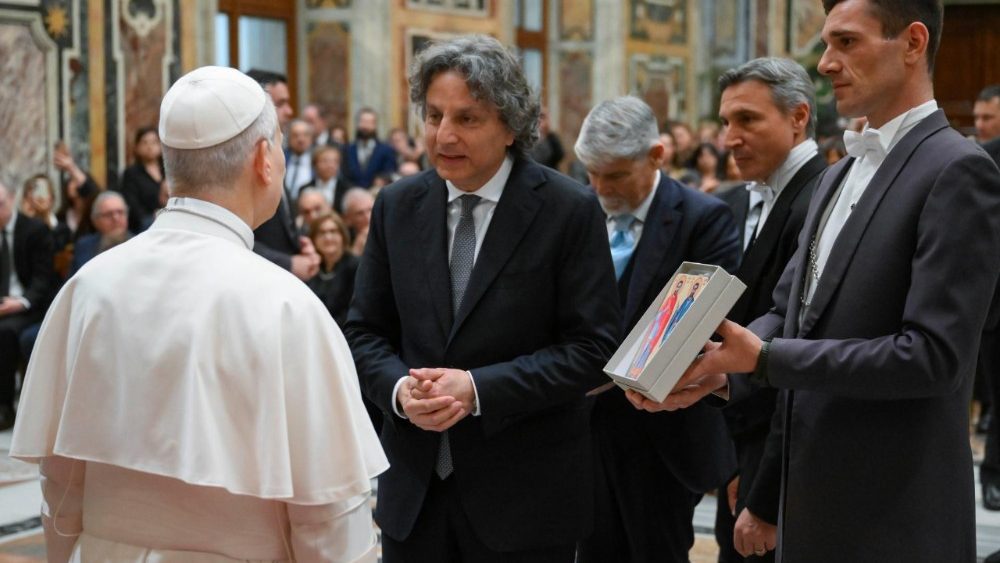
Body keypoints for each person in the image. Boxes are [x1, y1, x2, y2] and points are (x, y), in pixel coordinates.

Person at [627, 1, 1000, 561]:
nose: (825, 63)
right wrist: (720, 369)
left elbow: (933, 357)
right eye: (827, 43)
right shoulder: (837, 175)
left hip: (893, 513)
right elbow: (793, 315)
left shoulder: (957, 169)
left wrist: (765, 359)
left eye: (846, 43)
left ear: (913, 43)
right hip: (809, 504)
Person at [10, 65, 387, 561]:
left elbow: (60, 483)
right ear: (263, 160)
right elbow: (329, 517)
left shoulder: (89, 286)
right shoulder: (286, 305)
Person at [344, 35, 620, 563]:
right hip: (413, 498)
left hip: (525, 503)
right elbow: (363, 333)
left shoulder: (568, 210)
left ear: (511, 126)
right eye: (433, 115)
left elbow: (593, 350)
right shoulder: (397, 206)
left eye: (467, 119)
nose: (444, 134)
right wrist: (402, 391)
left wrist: (476, 389)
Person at [572, 96, 740, 563]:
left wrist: (589, 367)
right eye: (593, 173)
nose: (602, 187)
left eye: (617, 175)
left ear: (657, 156)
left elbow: (697, 326)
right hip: (583, 433)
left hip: (662, 433)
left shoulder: (703, 218)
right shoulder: (578, 208)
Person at [712, 57, 827, 563]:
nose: (729, 138)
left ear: (798, 117)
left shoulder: (820, 197)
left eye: (748, 120)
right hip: (738, 438)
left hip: (781, 459)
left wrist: (762, 487)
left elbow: (803, 349)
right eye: (725, 122)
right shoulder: (743, 199)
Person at [246, 69, 320, 281]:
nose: (290, 111)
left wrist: (303, 247)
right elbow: (235, 235)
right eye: (281, 103)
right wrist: (288, 263)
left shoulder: (275, 154)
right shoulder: (243, 164)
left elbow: (283, 223)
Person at [0, 180, 57, 431]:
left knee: (7, 332)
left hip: (31, 306)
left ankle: (5, 406)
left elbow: (43, 278)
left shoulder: (34, 230)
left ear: (11, 200)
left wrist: (21, 302)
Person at [307, 211, 357, 326]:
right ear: (314, 239)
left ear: (342, 235)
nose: (328, 237)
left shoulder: (355, 266)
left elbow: (353, 311)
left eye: (333, 231)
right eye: (322, 233)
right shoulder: (314, 269)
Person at [69, 191, 131, 276]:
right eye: (109, 214)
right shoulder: (84, 246)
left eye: (120, 212)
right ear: (95, 221)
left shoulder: (140, 245)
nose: (116, 218)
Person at [118, 126, 167, 233]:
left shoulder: (168, 171)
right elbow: (132, 205)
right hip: (143, 226)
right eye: (144, 143)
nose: (149, 147)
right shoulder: (131, 173)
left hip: (169, 220)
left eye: (154, 142)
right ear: (137, 147)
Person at [343, 107, 398, 188]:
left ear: (375, 125)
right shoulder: (347, 150)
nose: (365, 126)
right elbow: (344, 175)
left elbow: (389, 172)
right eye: (363, 122)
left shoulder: (386, 150)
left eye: (369, 122)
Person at [299, 145, 353, 211]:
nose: (330, 165)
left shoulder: (348, 189)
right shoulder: (305, 189)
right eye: (325, 161)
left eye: (335, 161)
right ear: (314, 164)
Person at [284, 118, 315, 200]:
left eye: (305, 135)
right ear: (289, 138)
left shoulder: (317, 159)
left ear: (311, 138)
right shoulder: (282, 158)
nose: (301, 139)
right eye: (295, 135)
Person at [340, 187, 373, 256]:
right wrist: (356, 250)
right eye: (360, 213)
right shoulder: (342, 239)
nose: (368, 217)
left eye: (370, 210)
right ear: (347, 219)